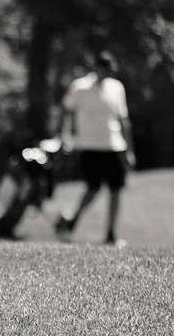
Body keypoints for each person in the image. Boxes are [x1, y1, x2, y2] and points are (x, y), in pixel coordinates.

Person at [56, 51, 136, 246]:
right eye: (106, 69)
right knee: (93, 188)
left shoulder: (117, 87)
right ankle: (72, 219)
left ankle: (110, 234)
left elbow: (124, 120)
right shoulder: (80, 87)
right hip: (89, 146)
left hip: (114, 145)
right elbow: (66, 111)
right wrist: (65, 136)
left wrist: (129, 150)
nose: (109, 73)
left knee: (116, 190)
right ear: (98, 68)